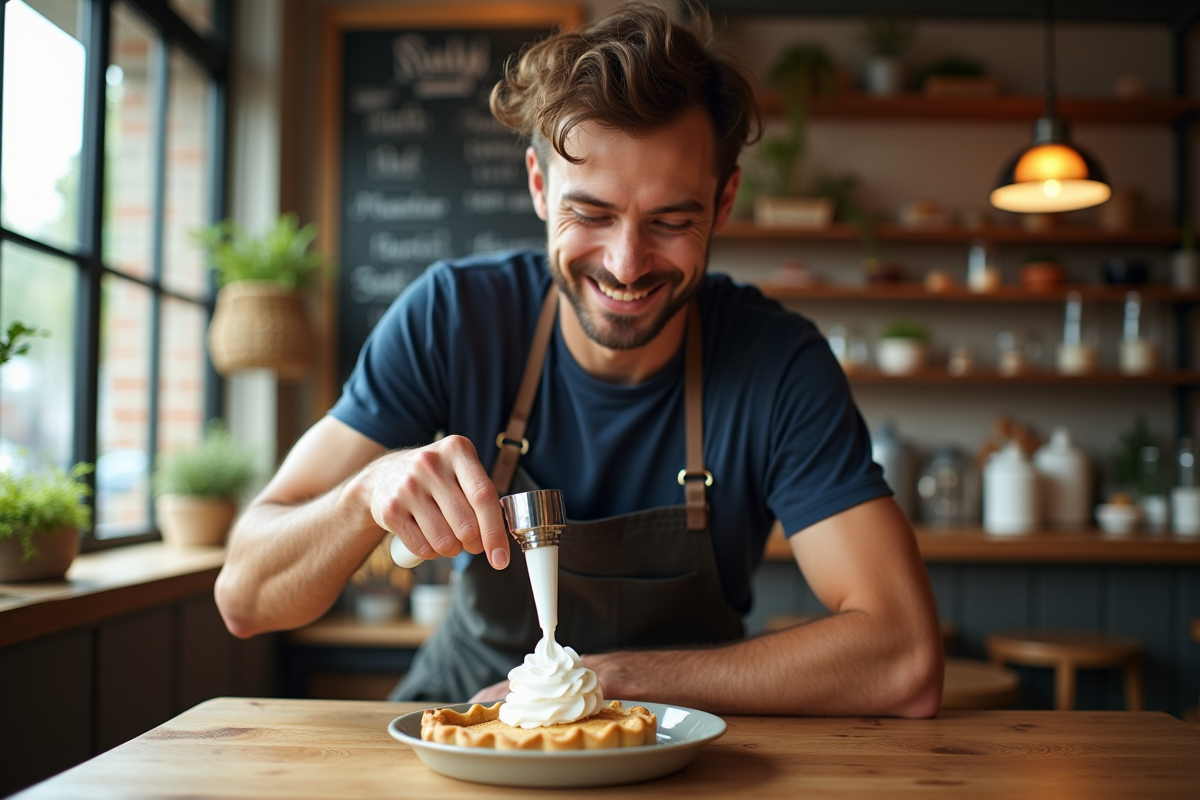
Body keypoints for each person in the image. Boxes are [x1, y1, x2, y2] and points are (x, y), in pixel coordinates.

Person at [215, 2, 943, 717]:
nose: (626, 264)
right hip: (463, 731)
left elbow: (904, 657)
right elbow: (245, 598)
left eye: (671, 221)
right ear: (538, 185)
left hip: (684, 751)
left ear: (723, 206)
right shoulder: (452, 318)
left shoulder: (778, 363)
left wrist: (614, 681)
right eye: (591, 215)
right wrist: (363, 493)